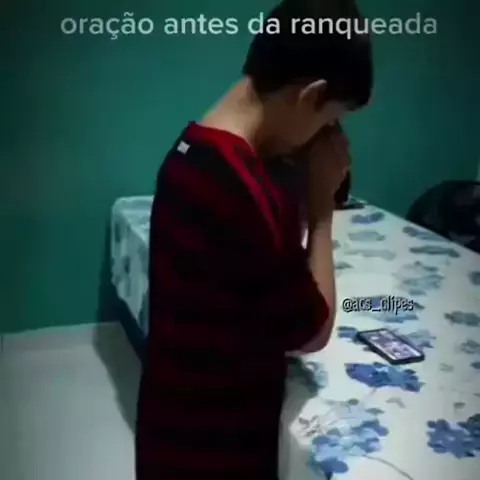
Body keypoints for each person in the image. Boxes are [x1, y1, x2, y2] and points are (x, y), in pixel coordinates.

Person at [135, 0, 373, 479]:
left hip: (169, 423)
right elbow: (313, 330)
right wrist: (321, 211)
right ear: (310, 95)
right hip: (218, 448)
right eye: (329, 119)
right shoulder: (242, 191)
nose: (328, 134)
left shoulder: (192, 150)